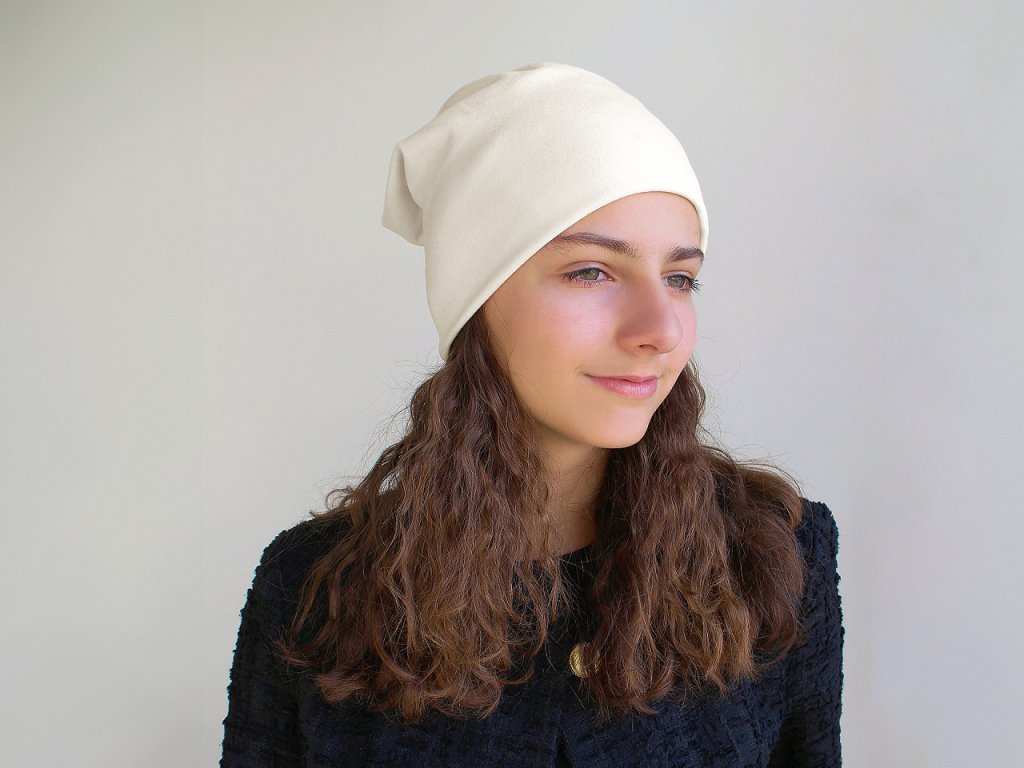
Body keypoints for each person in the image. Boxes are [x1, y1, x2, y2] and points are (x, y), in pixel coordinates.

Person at [219, 62, 843, 767]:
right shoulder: (317, 590)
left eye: (679, 278)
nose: (660, 329)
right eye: (591, 272)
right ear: (477, 301)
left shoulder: (774, 558)